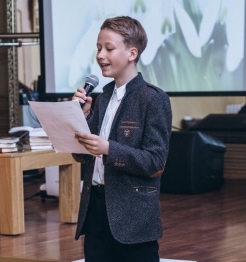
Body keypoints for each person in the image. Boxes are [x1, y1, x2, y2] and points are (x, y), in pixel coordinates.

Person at [72, 16, 172, 262]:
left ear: (132, 53)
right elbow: (82, 155)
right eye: (98, 48)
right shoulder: (102, 98)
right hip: (96, 209)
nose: (100, 55)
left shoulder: (153, 99)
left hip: (132, 215)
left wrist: (109, 149)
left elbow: (155, 162)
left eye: (109, 48)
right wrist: (80, 119)